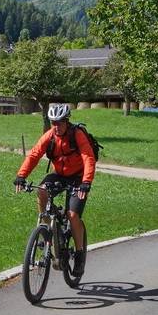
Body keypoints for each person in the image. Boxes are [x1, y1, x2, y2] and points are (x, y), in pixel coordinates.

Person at [13, 102, 96, 275]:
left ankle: (79, 254)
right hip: (59, 174)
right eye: (53, 122)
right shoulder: (50, 136)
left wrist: (86, 182)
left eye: (59, 122)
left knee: (72, 215)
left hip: (79, 177)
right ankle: (46, 231)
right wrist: (21, 176)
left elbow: (88, 158)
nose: (56, 126)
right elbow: (34, 154)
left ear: (66, 121)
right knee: (41, 191)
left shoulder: (77, 134)